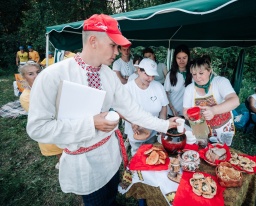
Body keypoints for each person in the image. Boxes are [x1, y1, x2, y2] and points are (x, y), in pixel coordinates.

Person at [26, 14, 178, 206]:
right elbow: (37, 129)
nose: (118, 51)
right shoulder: (53, 76)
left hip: (111, 156)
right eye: (113, 45)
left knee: (111, 199)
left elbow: (132, 110)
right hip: (85, 165)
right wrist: (91, 123)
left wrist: (165, 124)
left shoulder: (108, 75)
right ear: (93, 41)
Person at [183, 56, 240, 144]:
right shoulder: (189, 89)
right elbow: (185, 110)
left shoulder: (220, 82)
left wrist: (213, 110)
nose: (197, 77)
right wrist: (193, 117)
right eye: (194, 74)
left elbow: (235, 101)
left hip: (222, 128)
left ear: (209, 71)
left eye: (201, 73)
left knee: (221, 152)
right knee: (202, 151)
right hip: (200, 129)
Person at [19, 62, 63, 169]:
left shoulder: (47, 86)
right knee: (61, 154)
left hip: (62, 123)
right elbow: (45, 114)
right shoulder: (26, 97)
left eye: (38, 72)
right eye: (31, 74)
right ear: (24, 77)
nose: (36, 76)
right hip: (50, 129)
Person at [124, 58, 168, 155]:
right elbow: (121, 111)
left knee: (152, 155)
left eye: (153, 76)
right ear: (139, 71)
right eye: (147, 74)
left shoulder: (158, 87)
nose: (150, 78)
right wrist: (132, 122)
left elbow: (163, 108)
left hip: (153, 133)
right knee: (138, 157)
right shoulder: (128, 88)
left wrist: (162, 126)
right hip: (136, 134)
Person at [164, 44, 192, 118]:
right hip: (173, 113)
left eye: (184, 58)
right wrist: (172, 109)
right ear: (175, 59)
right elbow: (165, 93)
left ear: (188, 58)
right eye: (179, 58)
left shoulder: (193, 73)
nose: (181, 61)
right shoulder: (170, 74)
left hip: (188, 113)